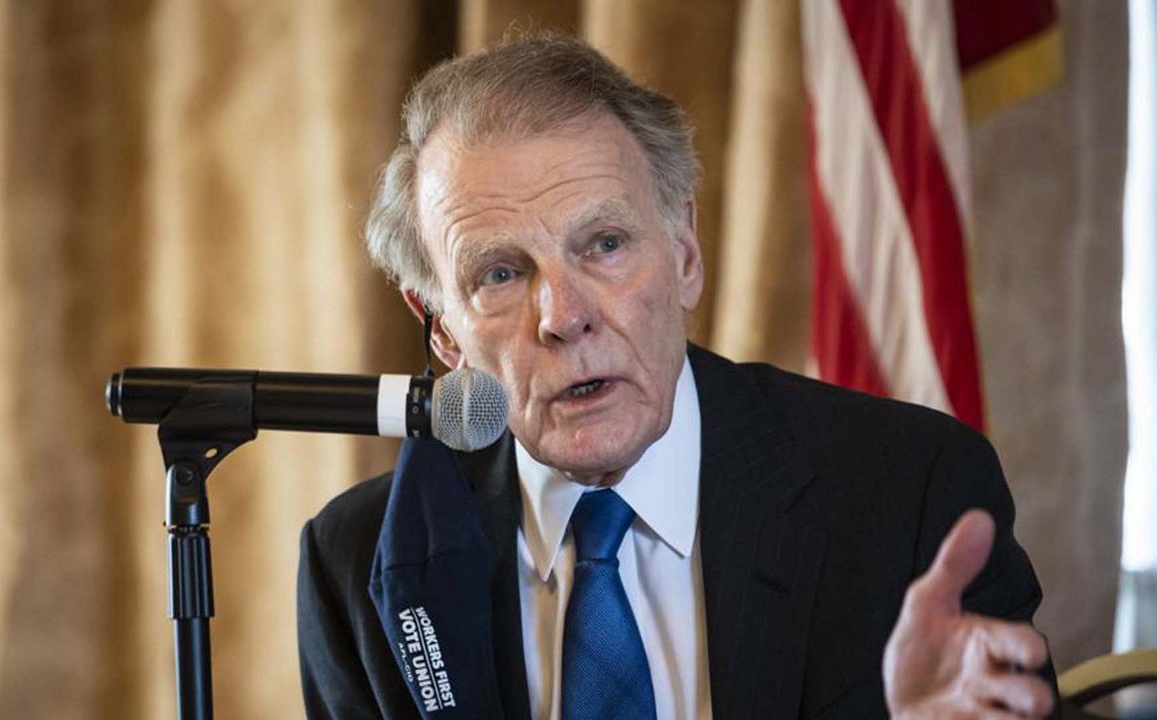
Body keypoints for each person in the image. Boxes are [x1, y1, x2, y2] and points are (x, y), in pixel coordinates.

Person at [297, 33, 1057, 719]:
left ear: (686, 255)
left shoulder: (912, 494)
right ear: (441, 331)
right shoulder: (359, 564)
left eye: (604, 244)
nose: (564, 315)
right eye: (500, 273)